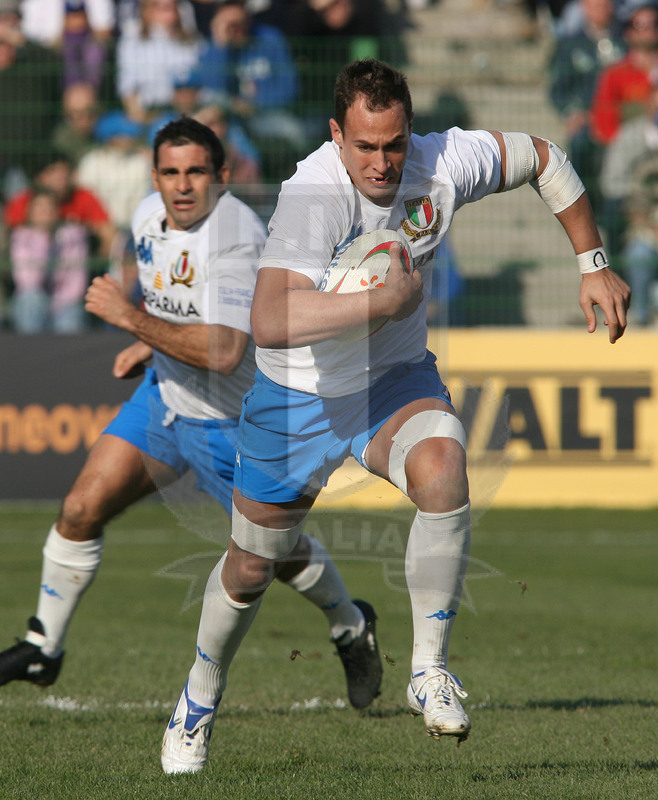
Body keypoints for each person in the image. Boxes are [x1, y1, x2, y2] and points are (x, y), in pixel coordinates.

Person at [160, 58, 631, 775]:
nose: (382, 162)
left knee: (444, 470)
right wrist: (379, 303)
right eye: (365, 146)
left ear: (411, 132)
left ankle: (428, 670)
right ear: (336, 136)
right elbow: (270, 317)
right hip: (297, 397)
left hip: (391, 381)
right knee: (253, 565)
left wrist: (592, 260)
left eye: (395, 144)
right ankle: (197, 700)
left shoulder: (445, 161)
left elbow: (545, 157)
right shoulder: (311, 193)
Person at [0, 118, 381, 724]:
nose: (182, 186)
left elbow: (228, 350)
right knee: (79, 510)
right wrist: (153, 345)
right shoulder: (148, 215)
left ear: (222, 177)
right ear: (154, 178)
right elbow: (175, 303)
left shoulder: (237, 236)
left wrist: (131, 322)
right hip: (165, 396)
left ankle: (349, 623)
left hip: (233, 418)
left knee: (272, 553)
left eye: (196, 172)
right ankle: (45, 645)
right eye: (171, 173)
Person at [548, 0, 624, 210]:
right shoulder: (571, 45)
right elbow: (558, 89)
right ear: (584, 8)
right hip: (587, 122)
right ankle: (582, 207)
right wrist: (572, 113)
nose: (602, 8)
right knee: (580, 144)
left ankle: (614, 212)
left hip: (622, 119)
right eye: (596, 4)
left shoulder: (625, 40)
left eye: (606, 4)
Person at [10, 187, 89, 333]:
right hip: (35, 302)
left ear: (57, 211)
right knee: (31, 299)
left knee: (70, 312)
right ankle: (30, 351)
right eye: (39, 206)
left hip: (63, 304)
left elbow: (76, 284)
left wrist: (56, 305)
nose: (45, 211)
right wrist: (44, 240)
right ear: (30, 211)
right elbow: (29, 282)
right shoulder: (21, 238)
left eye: (49, 206)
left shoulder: (73, 236)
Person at [590, 1, 658, 146]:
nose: (649, 31)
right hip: (630, 145)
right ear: (628, 31)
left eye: (655, 24)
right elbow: (604, 119)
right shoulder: (615, 73)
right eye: (640, 25)